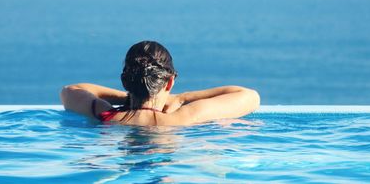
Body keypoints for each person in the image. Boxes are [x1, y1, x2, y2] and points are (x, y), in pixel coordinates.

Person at [60, 41, 260, 126]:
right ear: (169, 82)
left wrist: (127, 97)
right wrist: (181, 98)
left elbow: (70, 90)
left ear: (125, 82)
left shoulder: (103, 115)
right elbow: (250, 96)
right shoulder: (183, 118)